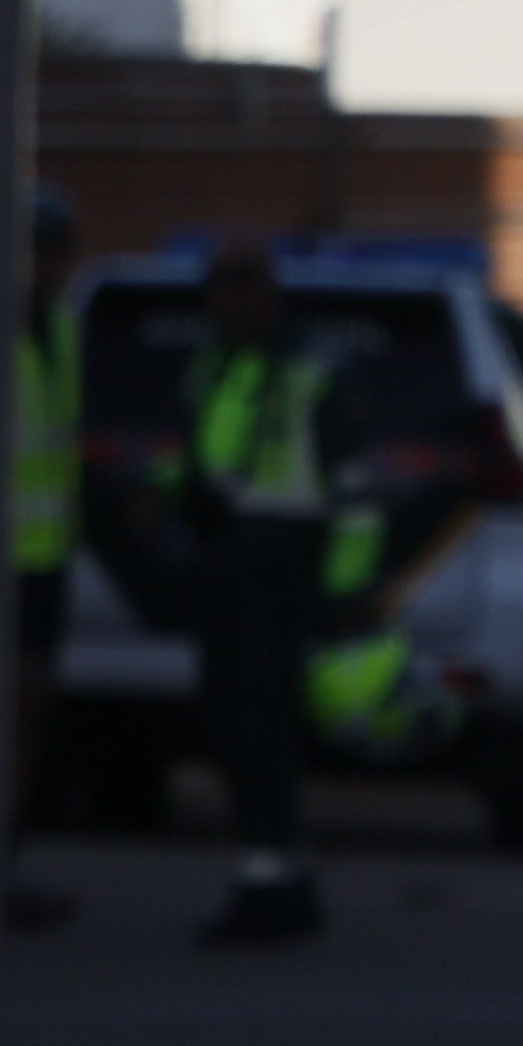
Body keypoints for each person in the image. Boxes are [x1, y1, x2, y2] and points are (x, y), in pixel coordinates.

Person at [156, 242, 340, 948]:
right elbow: (197, 459)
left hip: (280, 568)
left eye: (242, 285)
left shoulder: (308, 372)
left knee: (262, 734)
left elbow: (348, 491)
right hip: (224, 567)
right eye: (218, 287)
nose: (228, 300)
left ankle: (271, 890)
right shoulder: (209, 365)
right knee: (232, 731)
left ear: (270, 293)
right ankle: (281, 878)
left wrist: (342, 587)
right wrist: (173, 507)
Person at [4, 190, 83, 933]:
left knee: (30, 723)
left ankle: (1, 866)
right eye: (38, 251)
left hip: (43, 562)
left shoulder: (62, 332)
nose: (49, 268)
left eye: (58, 252)